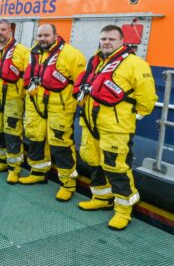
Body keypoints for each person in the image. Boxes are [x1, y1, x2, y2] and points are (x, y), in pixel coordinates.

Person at [74, 25, 157, 230]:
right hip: (91, 123)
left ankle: (123, 211)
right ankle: (101, 197)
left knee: (117, 167)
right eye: (103, 39)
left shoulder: (135, 64)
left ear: (121, 41)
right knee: (93, 160)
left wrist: (133, 115)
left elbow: (147, 98)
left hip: (116, 127)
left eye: (111, 39)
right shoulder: (96, 62)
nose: (106, 42)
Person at [19, 24, 86, 201]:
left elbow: (82, 83)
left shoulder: (72, 55)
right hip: (35, 104)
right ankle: (38, 172)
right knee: (35, 138)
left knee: (61, 145)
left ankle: (68, 183)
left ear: (56, 35)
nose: (42, 39)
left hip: (60, 107)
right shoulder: (31, 53)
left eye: (46, 35)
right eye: (40, 36)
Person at [0, 19, 29, 183]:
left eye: (3, 29)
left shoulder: (22, 51)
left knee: (12, 133)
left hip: (13, 98)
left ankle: (14, 168)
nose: (0, 32)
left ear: (10, 31)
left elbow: (27, 76)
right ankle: (2, 161)